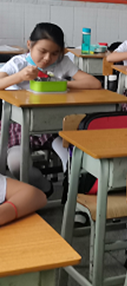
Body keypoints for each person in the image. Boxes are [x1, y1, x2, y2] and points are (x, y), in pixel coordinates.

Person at [0, 22, 101, 194]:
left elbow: (94, 83)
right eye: (42, 51)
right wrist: (19, 77)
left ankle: (71, 191)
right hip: (19, 126)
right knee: (16, 163)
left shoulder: (62, 63)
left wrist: (61, 84)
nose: (48, 58)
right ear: (29, 45)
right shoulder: (19, 63)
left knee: (72, 157)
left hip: (55, 126)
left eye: (55, 53)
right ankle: (44, 187)